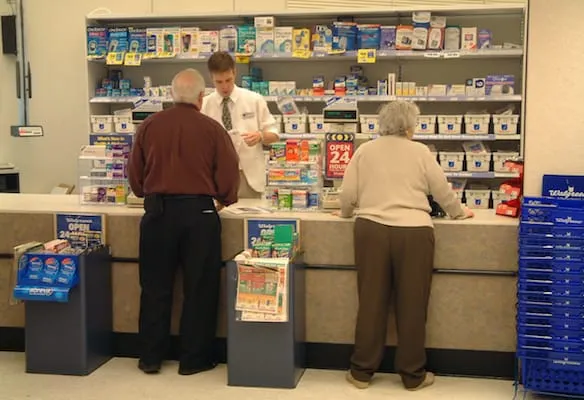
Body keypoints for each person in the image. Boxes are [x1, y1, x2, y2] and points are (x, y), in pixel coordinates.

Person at [338, 101, 474, 391]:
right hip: (414, 232)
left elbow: (348, 194)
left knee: (371, 301)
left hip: (371, 230)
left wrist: (345, 214)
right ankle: (413, 375)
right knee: (412, 304)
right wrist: (459, 213)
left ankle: (361, 372)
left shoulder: (365, 151)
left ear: (382, 124)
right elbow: (442, 191)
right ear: (410, 126)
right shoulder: (420, 152)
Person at [128, 68, 240, 376]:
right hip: (198, 215)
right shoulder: (212, 129)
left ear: (171, 94)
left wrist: (148, 193)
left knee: (154, 288)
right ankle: (194, 358)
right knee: (200, 288)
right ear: (202, 97)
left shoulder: (149, 126)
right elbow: (228, 175)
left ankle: (150, 357)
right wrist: (224, 198)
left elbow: (135, 176)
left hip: (157, 214)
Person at [202, 51, 280, 199]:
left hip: (248, 178)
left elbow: (274, 134)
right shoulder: (205, 105)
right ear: (211, 77)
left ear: (234, 72)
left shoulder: (254, 100)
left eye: (228, 80)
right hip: (216, 177)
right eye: (219, 82)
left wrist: (260, 136)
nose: (225, 87)